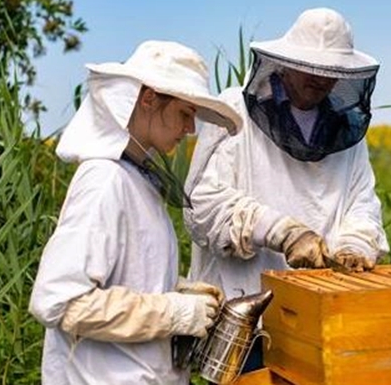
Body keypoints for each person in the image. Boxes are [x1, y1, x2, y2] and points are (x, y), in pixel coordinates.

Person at [183, 8, 390, 371]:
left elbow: (362, 203)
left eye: (331, 71)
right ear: (285, 63)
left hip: (321, 317)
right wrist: (283, 232)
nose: (321, 79)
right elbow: (202, 208)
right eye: (312, 67)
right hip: (245, 315)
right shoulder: (235, 112)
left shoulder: (346, 132)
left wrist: (355, 243)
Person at [29, 40, 243, 385]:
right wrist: (172, 311)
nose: (190, 129)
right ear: (147, 98)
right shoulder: (104, 180)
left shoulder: (135, 176)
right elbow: (60, 301)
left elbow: (125, 275)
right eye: (184, 113)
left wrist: (178, 290)